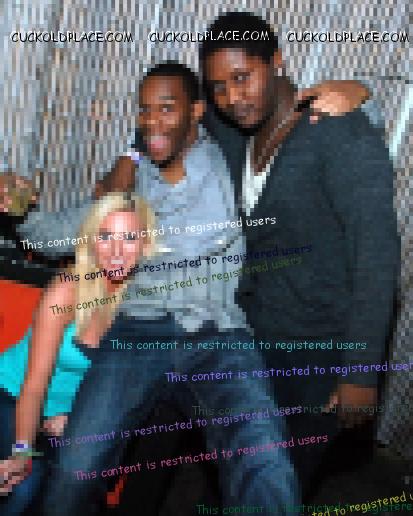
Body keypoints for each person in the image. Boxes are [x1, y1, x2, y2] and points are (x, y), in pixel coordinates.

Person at [195, 11, 400, 492]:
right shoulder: (233, 130)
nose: (232, 97)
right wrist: (131, 158)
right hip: (252, 339)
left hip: (318, 352)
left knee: (284, 480)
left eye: (242, 77)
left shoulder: (339, 134)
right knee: (238, 470)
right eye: (219, 87)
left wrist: (361, 373)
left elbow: (377, 257)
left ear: (278, 61)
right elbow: (167, 115)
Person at [0, 192, 154, 515]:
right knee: (23, 487)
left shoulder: (146, 305)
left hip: (70, 419)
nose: (116, 251)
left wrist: (77, 418)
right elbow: (34, 385)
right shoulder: (68, 290)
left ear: (146, 244)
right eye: (105, 236)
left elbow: (133, 393)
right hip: (13, 396)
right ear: (91, 241)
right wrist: (23, 450)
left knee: (74, 492)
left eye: (128, 238)